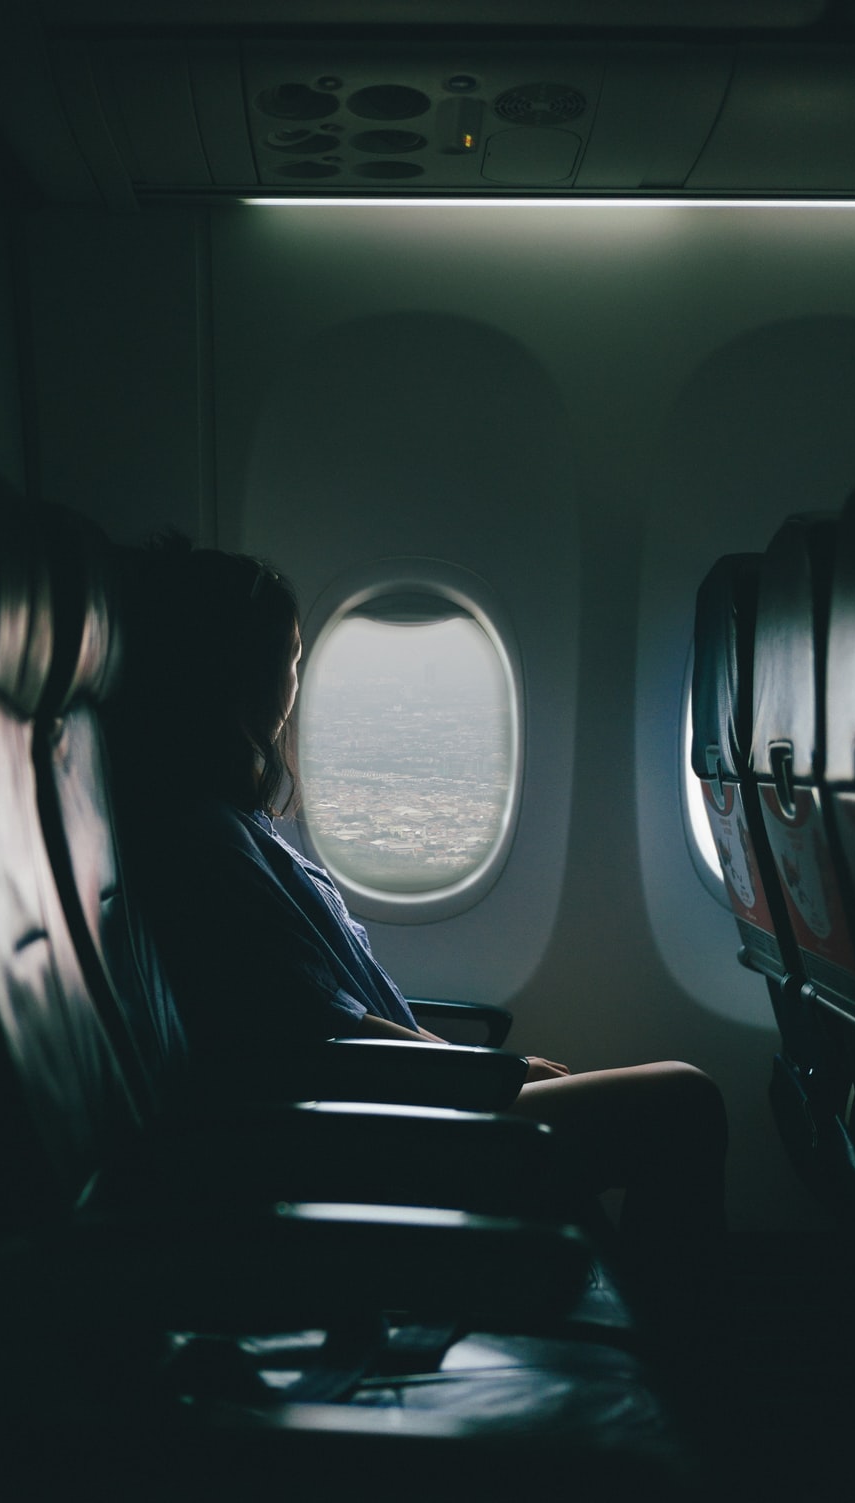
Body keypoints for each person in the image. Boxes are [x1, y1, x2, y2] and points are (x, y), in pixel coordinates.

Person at [108, 534, 727, 1331]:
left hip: (388, 1110)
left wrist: (472, 1069)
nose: (297, 687)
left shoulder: (223, 823)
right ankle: (686, 1375)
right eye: (291, 659)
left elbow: (332, 1011)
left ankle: (643, 1341)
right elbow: (310, 1031)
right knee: (685, 1100)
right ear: (240, 674)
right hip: (365, 1142)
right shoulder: (203, 841)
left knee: (640, 1107)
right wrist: (481, 1072)